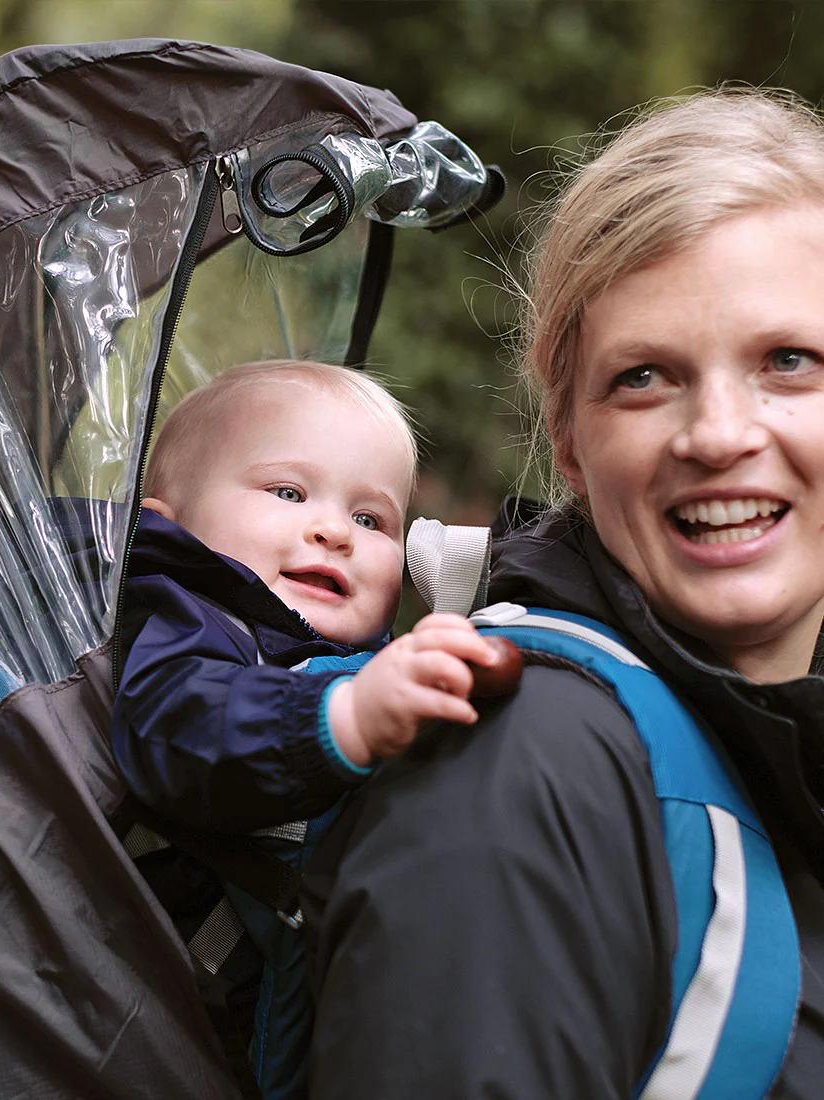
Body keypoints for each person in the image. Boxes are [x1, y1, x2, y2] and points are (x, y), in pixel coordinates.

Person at [305, 90, 824, 1099]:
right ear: (570, 438)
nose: (716, 434)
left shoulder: (775, 739)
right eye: (642, 377)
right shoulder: (515, 766)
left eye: (787, 361)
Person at [112, 359, 501, 832]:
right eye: (289, 493)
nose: (337, 532)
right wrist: (349, 718)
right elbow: (173, 725)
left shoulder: (377, 657)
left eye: (368, 520)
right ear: (173, 525)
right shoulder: (183, 618)